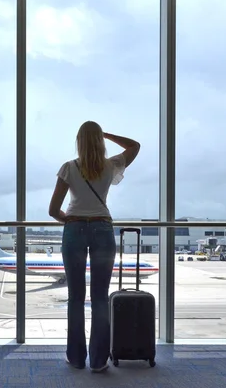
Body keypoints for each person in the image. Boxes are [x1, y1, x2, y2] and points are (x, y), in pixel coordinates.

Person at [48, 121, 140, 373]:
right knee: (100, 297)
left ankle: (76, 358)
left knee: (76, 297)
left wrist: (69, 218)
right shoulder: (111, 166)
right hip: (102, 229)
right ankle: (99, 360)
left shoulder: (69, 167)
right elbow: (134, 146)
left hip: (75, 229)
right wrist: (106, 135)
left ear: (78, 141)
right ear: (100, 141)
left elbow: (53, 210)